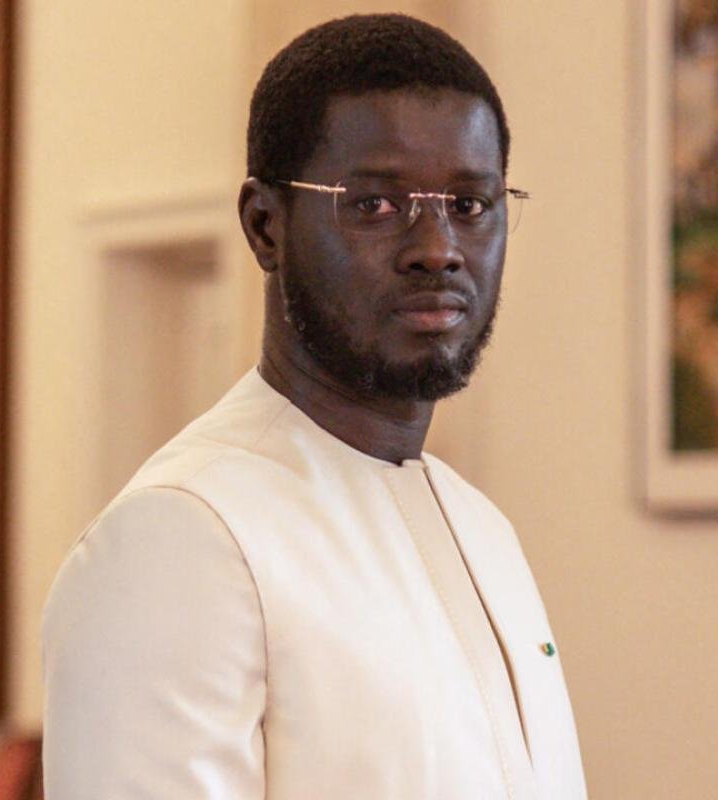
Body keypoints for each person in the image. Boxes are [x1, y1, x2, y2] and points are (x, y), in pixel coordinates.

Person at [42, 13, 586, 799]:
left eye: (470, 205)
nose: (437, 249)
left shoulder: (483, 530)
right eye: (375, 205)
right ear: (265, 227)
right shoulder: (186, 536)